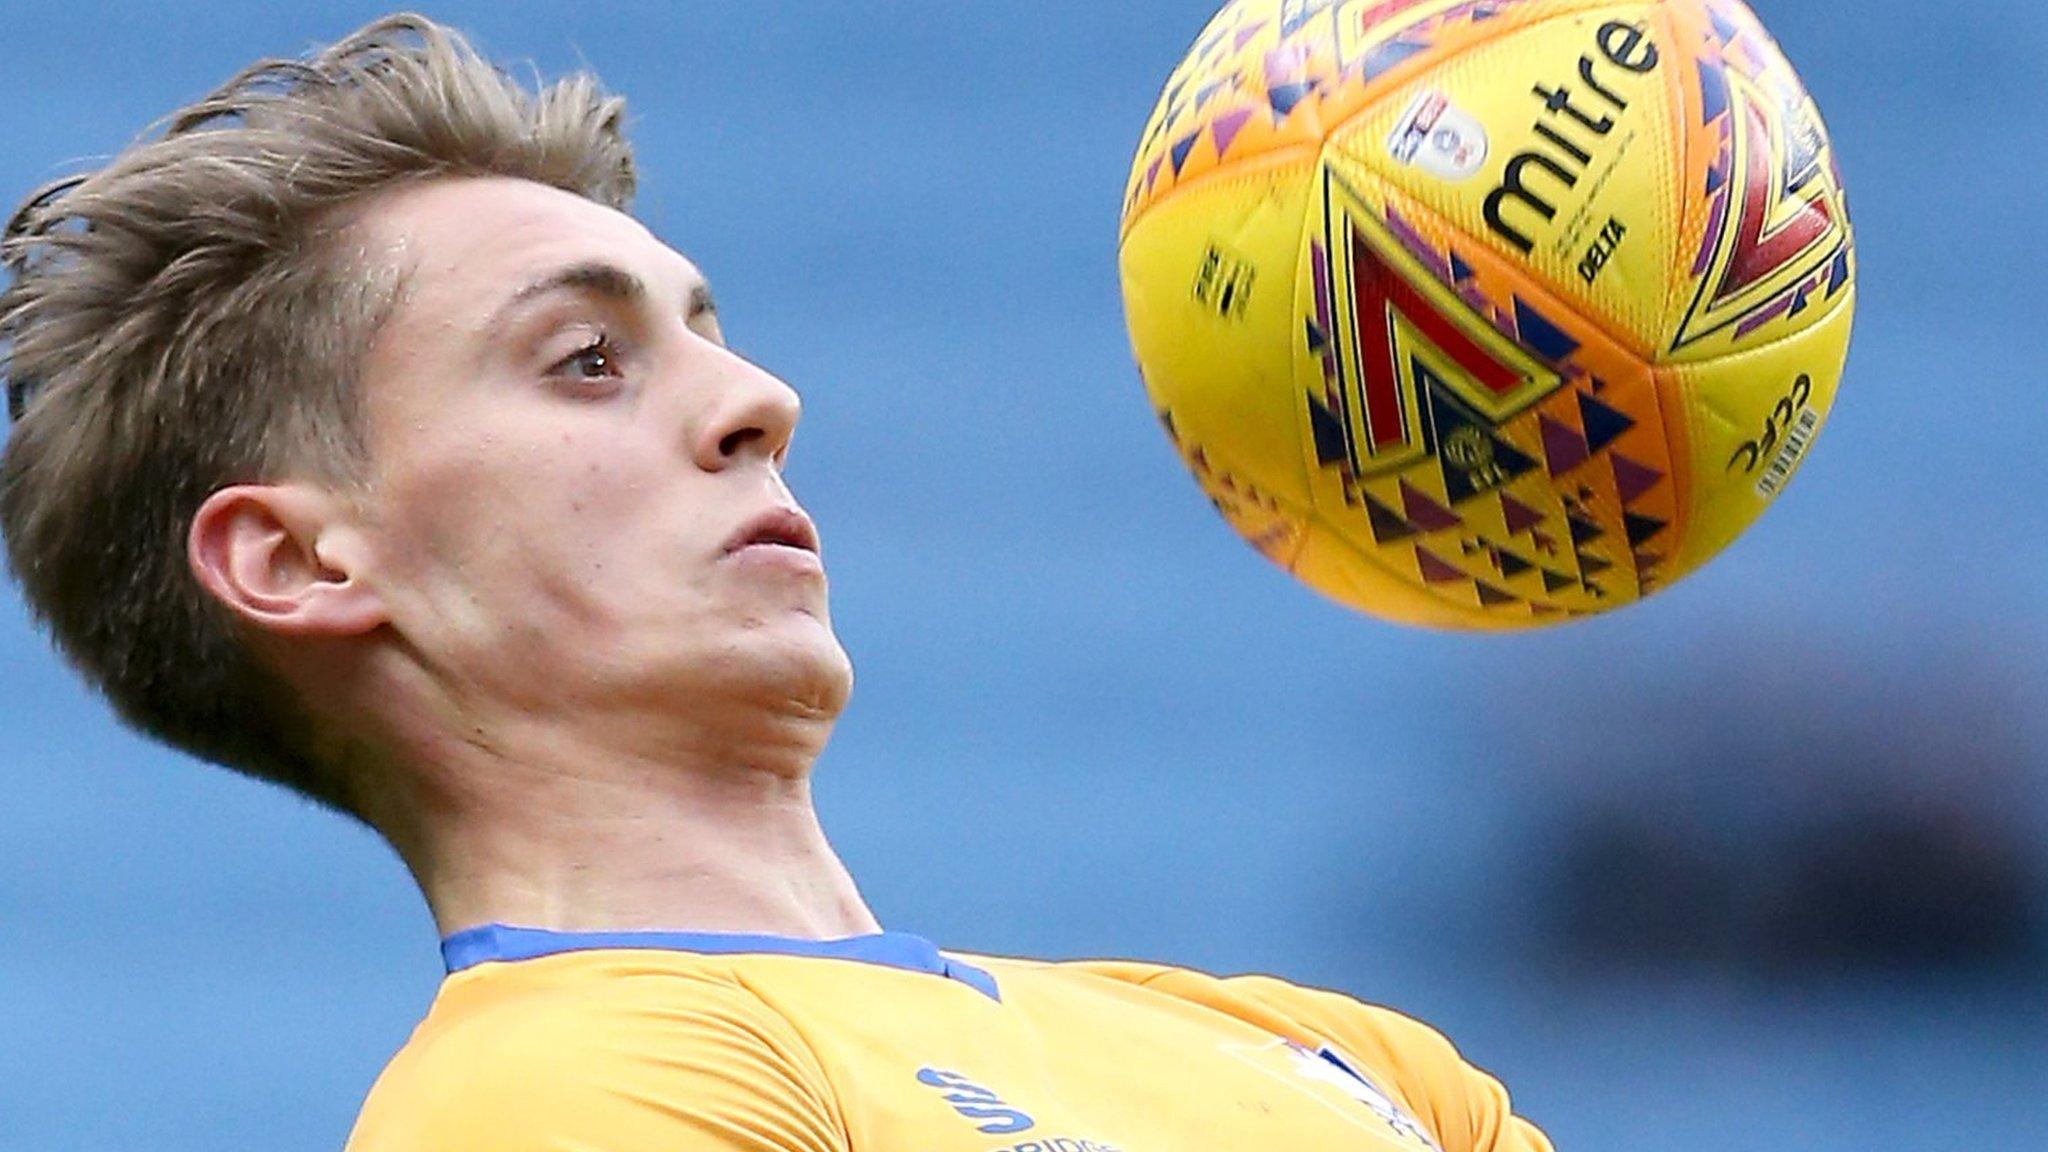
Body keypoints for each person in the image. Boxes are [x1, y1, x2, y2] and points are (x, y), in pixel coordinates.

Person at [0, 14, 1550, 1152]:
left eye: (710, 330)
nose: (761, 398)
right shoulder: (564, 1092)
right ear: (301, 561)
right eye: (588, 360)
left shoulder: (1330, 1053)